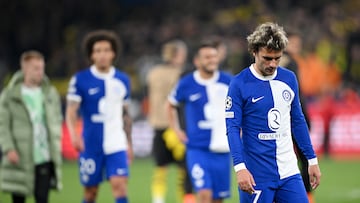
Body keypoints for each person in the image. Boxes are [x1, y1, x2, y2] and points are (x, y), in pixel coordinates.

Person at [225, 22, 321, 203]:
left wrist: (311, 160)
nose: (273, 64)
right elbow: (232, 128)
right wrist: (240, 168)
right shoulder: (239, 84)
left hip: (289, 172)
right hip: (256, 174)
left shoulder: (289, 78)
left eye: (277, 58)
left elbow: (298, 121)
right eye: (267, 58)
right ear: (254, 52)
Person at [66, 30, 132, 203]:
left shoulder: (122, 80)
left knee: (120, 185)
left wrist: (129, 143)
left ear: (113, 53)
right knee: (91, 191)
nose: (102, 54)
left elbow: (126, 114)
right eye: (97, 51)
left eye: (106, 50)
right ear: (91, 55)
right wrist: (74, 135)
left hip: (116, 143)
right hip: (91, 143)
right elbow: (71, 110)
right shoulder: (80, 79)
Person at [167, 41, 232, 203]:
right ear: (197, 61)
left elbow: (242, 107)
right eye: (207, 57)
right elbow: (170, 104)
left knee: (218, 199)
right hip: (197, 149)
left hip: (222, 149)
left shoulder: (228, 81)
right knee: (204, 194)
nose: (212, 60)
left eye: (214, 56)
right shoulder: (186, 83)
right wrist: (176, 129)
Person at [0, 50, 62, 203]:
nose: (40, 72)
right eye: (36, 68)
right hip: (20, 154)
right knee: (18, 199)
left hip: (44, 155)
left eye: (42, 68)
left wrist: (56, 143)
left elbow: (57, 120)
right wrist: (8, 148)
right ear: (25, 69)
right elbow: (3, 125)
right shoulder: (10, 95)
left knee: (42, 198)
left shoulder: (50, 93)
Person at [147, 40, 194, 203]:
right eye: (182, 54)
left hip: (157, 124)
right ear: (176, 56)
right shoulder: (182, 75)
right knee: (184, 169)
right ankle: (184, 198)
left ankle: (158, 200)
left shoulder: (153, 73)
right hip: (175, 126)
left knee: (160, 167)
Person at [279, 31, 315, 203]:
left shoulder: (292, 62)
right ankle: (306, 196)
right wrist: (304, 118)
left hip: (290, 117)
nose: (296, 47)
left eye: (298, 44)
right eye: (293, 44)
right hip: (287, 119)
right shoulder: (286, 62)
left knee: (298, 158)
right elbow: (296, 96)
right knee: (303, 158)